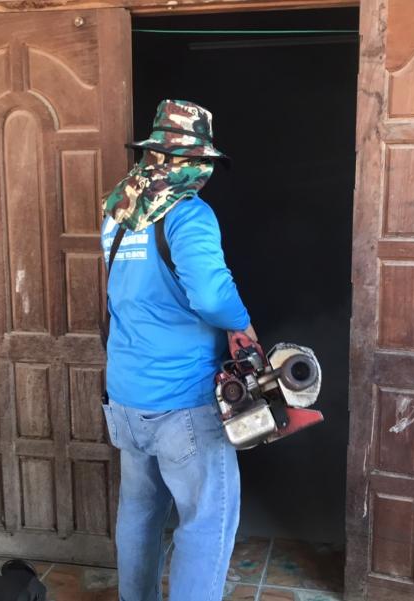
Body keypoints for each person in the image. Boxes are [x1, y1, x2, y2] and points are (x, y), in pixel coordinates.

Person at [100, 99, 258, 601]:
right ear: (186, 163)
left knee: (139, 512)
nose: (204, 175)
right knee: (207, 521)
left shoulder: (117, 214)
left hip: (126, 397)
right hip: (182, 402)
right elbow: (209, 293)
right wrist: (241, 324)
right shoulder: (188, 214)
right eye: (201, 163)